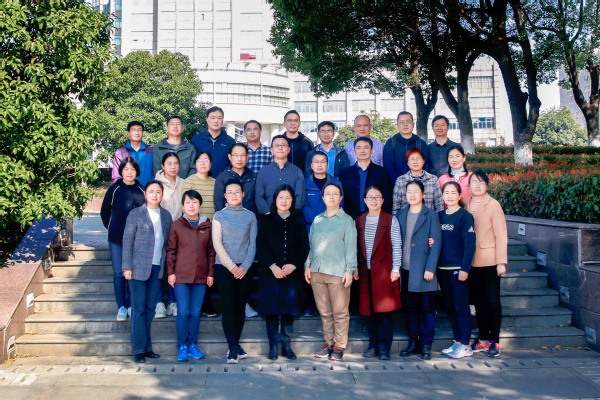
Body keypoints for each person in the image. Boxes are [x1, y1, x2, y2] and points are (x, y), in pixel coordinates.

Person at [305, 181, 357, 362]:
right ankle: (328, 343)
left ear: (341, 198)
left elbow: (351, 247)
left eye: (335, 194)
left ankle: (339, 345)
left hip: (337, 272)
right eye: (328, 194)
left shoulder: (347, 220)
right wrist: (307, 265)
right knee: (325, 312)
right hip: (317, 272)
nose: (332, 197)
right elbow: (311, 246)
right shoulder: (317, 220)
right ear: (323, 198)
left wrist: (350, 270)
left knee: (340, 312)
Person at [257, 185, 310, 360]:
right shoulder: (266, 220)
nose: (284, 201)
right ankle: (273, 347)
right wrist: (272, 266)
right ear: (275, 199)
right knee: (271, 311)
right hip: (271, 273)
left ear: (292, 200)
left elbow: (304, 246)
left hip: (291, 274)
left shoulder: (298, 220)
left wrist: (294, 264)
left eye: (288, 197)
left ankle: (287, 346)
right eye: (281, 197)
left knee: (288, 311)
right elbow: (261, 246)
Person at [122, 180, 173, 363]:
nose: (154, 195)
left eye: (158, 192)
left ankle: (147, 347)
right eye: (151, 191)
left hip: (157, 268)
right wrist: (126, 267)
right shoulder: (136, 214)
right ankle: (138, 350)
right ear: (145, 194)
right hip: (137, 268)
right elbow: (127, 241)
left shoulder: (166, 215)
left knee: (150, 308)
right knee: (139, 309)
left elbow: (167, 243)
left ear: (162, 195)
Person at [166, 190, 215, 362]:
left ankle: (193, 344)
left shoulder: (207, 225)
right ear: (183, 205)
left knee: (195, 312)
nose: (191, 205)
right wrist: (170, 272)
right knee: (183, 311)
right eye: (188, 202)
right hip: (181, 276)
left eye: (195, 202)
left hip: (201, 276)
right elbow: (171, 250)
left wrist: (211, 273)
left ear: (200, 205)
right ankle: (182, 346)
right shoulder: (177, 225)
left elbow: (211, 252)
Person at [212, 180, 258, 364]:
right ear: (225, 196)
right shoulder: (219, 216)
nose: (233, 195)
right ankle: (232, 347)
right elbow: (217, 243)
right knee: (229, 306)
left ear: (243, 195)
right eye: (230, 192)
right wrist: (232, 267)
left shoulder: (250, 216)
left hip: (244, 268)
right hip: (224, 268)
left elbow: (252, 244)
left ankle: (235, 344)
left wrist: (244, 266)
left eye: (237, 192)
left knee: (240, 306)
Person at [354, 186, 401, 360]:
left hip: (384, 272)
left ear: (382, 200)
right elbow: (354, 247)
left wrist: (396, 268)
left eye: (377, 197)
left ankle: (384, 348)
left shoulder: (390, 220)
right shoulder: (359, 221)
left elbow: (397, 245)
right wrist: (354, 268)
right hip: (365, 272)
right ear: (365, 200)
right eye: (370, 197)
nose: (373, 201)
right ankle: (372, 344)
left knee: (385, 312)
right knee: (370, 311)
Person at [397, 181, 442, 360]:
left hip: (424, 270)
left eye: (416, 191)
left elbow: (436, 243)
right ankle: (414, 341)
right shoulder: (400, 214)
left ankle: (426, 344)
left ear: (423, 194)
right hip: (405, 270)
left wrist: (430, 268)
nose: (412, 195)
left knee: (427, 309)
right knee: (411, 309)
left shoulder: (431, 215)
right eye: (409, 191)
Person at [467, 171, 507, 358]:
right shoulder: (465, 204)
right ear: (469, 185)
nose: (477, 185)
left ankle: (495, 341)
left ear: (487, 185)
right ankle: (483, 338)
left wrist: (501, 262)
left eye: (481, 182)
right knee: (479, 302)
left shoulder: (493, 205)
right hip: (471, 261)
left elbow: (501, 235)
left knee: (492, 301)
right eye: (474, 182)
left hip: (490, 259)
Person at [101, 158, 146, 321]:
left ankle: (132, 305)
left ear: (137, 172)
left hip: (137, 240)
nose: (129, 172)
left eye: (132, 169)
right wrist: (112, 227)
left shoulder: (142, 190)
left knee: (133, 272)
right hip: (117, 239)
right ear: (121, 171)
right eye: (126, 169)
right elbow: (104, 212)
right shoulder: (114, 189)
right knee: (119, 272)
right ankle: (121, 306)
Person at [437, 182, 476, 359]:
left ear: (460, 196)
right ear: (442, 196)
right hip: (442, 269)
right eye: (447, 192)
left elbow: (470, 244)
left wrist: (465, 268)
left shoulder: (465, 216)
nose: (450, 196)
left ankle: (466, 344)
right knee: (450, 307)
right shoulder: (439, 216)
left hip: (458, 269)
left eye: (453, 192)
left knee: (461, 307)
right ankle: (457, 341)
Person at [302, 151, 342, 316]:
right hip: (310, 230)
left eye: (323, 162)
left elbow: (340, 204)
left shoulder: (336, 183)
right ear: (311, 165)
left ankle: (328, 305)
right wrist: (319, 220)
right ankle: (311, 304)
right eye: (316, 162)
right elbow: (303, 205)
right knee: (311, 268)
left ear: (327, 164)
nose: (319, 165)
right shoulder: (305, 184)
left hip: (332, 230)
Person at [154, 152, 183, 318]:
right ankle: (159, 303)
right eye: (169, 163)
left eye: (176, 163)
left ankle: (173, 302)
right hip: (160, 231)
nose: (173, 167)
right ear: (162, 166)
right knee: (159, 266)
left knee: (175, 267)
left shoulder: (184, 183)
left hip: (178, 232)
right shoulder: (156, 184)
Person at [339, 137, 392, 220]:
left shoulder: (382, 172)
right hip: (350, 218)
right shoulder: (345, 173)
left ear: (372, 151)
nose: (362, 151)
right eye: (359, 148)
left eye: (366, 148)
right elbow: (341, 198)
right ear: (354, 151)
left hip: (376, 218)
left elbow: (387, 198)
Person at [256, 135, 305, 215]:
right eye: (276, 146)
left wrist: (293, 214)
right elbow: (259, 197)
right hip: (268, 217)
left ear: (289, 149)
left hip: (292, 217)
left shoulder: (297, 171)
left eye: (283, 145)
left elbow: (300, 196)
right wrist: (267, 214)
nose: (280, 148)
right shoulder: (263, 172)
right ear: (272, 150)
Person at [383, 111, 430, 184]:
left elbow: (425, 166)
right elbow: (388, 167)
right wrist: (397, 184)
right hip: (396, 186)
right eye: (402, 122)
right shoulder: (391, 143)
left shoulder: (421, 144)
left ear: (413, 124)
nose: (405, 124)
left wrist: (417, 185)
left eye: (408, 122)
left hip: (418, 186)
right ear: (397, 125)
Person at [392, 148, 444, 214]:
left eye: (418, 158)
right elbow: (396, 205)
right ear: (407, 163)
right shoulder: (401, 180)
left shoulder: (433, 179)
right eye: (412, 159)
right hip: (406, 218)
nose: (415, 162)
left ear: (423, 161)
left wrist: (436, 219)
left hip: (429, 218)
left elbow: (439, 203)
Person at [191, 106, 236, 177]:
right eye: (213, 118)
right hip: (201, 181)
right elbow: (192, 164)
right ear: (207, 119)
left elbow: (234, 165)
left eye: (219, 118)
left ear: (222, 120)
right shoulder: (196, 140)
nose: (216, 121)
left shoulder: (230, 142)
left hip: (224, 181)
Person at [214, 143, 257, 213]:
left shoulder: (254, 176)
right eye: (236, 155)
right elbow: (219, 203)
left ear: (247, 157)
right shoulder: (222, 178)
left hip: (251, 217)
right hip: (229, 218)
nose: (239, 159)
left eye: (242, 155)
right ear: (230, 157)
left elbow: (258, 200)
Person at [112, 121, 154, 186]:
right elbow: (116, 176)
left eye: (139, 130)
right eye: (133, 130)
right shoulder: (120, 153)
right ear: (128, 133)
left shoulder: (151, 151)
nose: (137, 133)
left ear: (142, 133)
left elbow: (156, 174)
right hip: (128, 190)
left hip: (148, 190)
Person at [182, 152, 217, 221]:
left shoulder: (216, 182)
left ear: (210, 164)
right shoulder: (189, 181)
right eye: (199, 160)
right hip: (195, 224)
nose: (203, 163)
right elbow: (184, 206)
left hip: (213, 223)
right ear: (195, 164)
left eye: (206, 160)